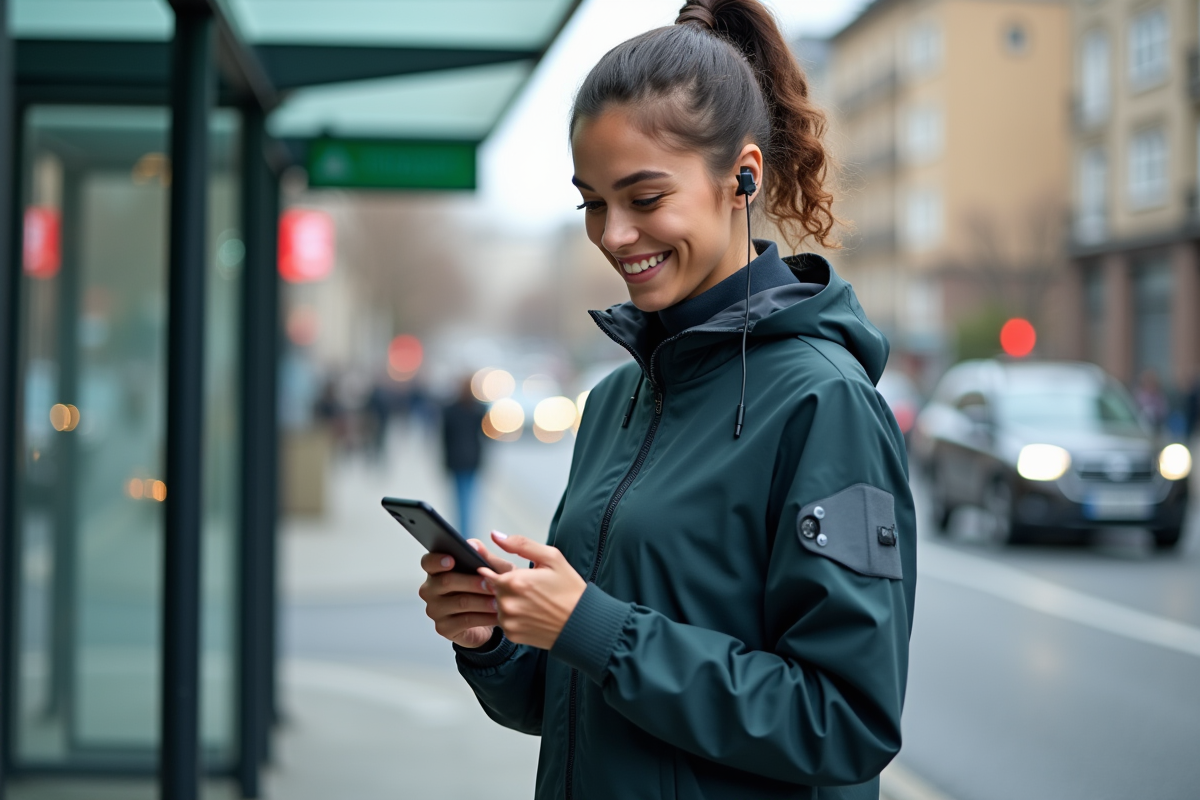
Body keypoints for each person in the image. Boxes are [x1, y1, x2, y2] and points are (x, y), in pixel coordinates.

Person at [418, 3, 916, 798]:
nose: (613, 235)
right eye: (592, 203)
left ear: (741, 178)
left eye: (644, 198)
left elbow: (843, 721)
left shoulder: (826, 405)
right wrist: (495, 643)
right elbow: (574, 701)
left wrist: (593, 627)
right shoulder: (618, 398)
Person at [440, 377, 488, 537]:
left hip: (456, 461)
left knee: (460, 499)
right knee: (470, 498)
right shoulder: (478, 409)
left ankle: (463, 533)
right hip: (472, 459)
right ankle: (467, 534)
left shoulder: (450, 410)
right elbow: (486, 436)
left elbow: (444, 438)